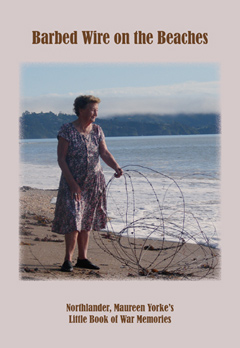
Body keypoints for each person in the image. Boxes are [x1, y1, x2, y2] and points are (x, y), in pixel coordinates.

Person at [52, 95, 123, 272]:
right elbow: (61, 159)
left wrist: (116, 167)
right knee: (74, 219)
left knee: (87, 220)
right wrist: (73, 184)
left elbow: (104, 153)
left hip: (94, 183)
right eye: (92, 110)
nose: (95, 114)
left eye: (97, 110)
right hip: (72, 182)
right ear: (81, 110)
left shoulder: (98, 130)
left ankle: (82, 258)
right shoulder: (67, 130)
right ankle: (67, 260)